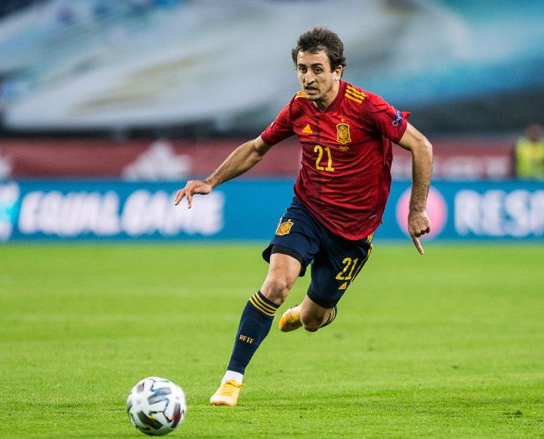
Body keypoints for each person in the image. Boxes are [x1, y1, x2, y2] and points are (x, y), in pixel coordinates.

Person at [174, 27, 433, 406]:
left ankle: (305, 311)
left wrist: (416, 210)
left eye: (316, 69)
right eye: (301, 69)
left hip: (353, 233)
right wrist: (212, 181)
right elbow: (257, 147)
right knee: (277, 283)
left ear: (338, 70)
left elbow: (421, 146)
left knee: (313, 319)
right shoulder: (298, 107)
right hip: (307, 211)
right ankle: (232, 380)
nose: (308, 78)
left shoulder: (367, 107)